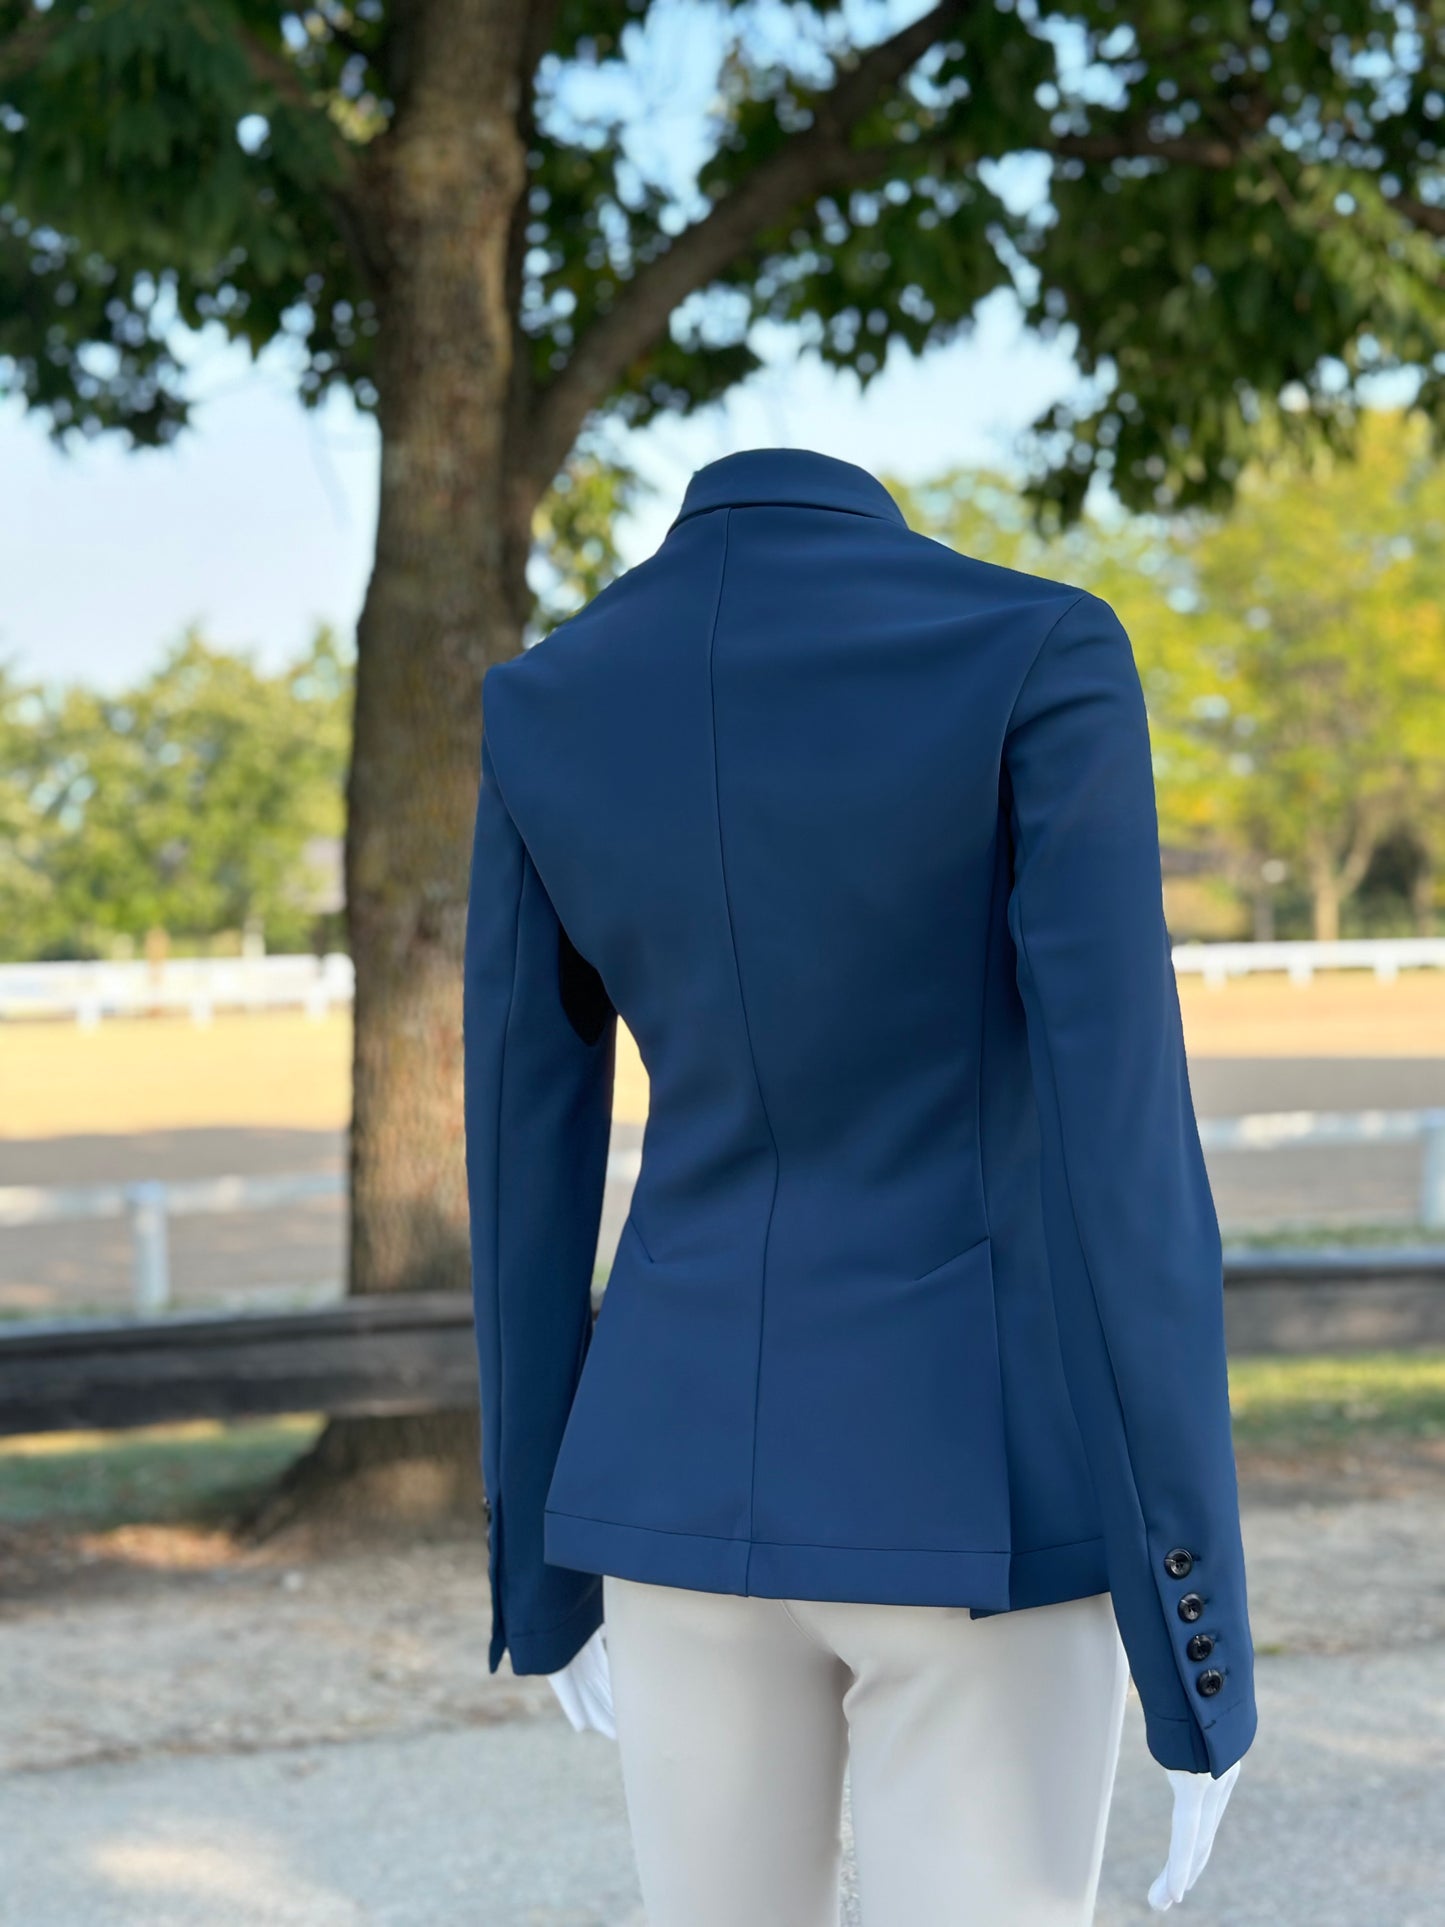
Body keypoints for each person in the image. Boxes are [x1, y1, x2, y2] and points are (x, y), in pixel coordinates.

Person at [463, 446, 1256, 1924]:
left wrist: (539, 1579)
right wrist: (1194, 1642)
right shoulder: (1034, 648)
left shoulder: (547, 699)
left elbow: (520, 1160)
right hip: (972, 1486)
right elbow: (1126, 1157)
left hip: (668, 1488)